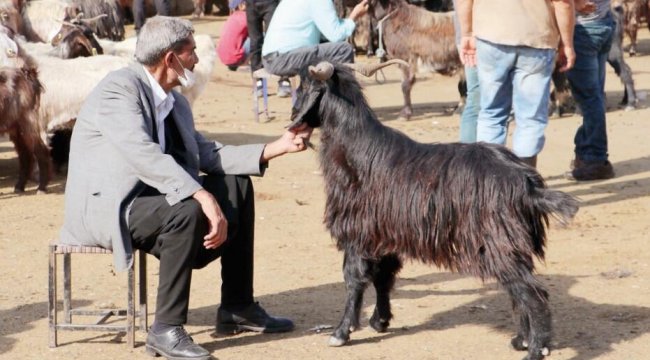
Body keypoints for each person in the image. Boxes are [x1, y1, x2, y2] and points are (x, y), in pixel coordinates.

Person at [58, 16, 312, 360]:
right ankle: (165, 329)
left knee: (236, 186)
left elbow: (205, 153)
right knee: (188, 207)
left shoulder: (175, 102)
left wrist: (277, 147)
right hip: (112, 205)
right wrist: (200, 193)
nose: (195, 59)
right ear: (170, 59)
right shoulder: (119, 89)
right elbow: (142, 154)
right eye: (191, 52)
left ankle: (237, 307)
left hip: (156, 200)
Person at [456, 0, 576, 167]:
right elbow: (563, 3)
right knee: (530, 118)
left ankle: (490, 181)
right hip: (536, 40)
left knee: (491, 114)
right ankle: (524, 182)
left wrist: (467, 33)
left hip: (491, 37)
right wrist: (567, 43)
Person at [565, 0, 616, 180]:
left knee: (590, 99)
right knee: (594, 97)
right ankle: (586, 153)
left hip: (584, 29)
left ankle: (595, 160)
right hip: (602, 23)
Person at [261, 0, 369, 79]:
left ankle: (328, 100)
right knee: (343, 49)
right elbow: (336, 35)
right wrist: (354, 15)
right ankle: (347, 104)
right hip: (282, 59)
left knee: (331, 48)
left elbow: (328, 32)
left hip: (273, 58)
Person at [244, 0, 292, 97]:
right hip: (251, 4)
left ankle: (284, 79)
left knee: (276, 40)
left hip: (271, 3)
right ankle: (258, 82)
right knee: (255, 42)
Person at [452, 0, 479, 143]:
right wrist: (467, 34)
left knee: (476, 101)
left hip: (469, 36)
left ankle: (469, 157)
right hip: (475, 38)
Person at [217, 0, 251, 71]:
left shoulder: (231, 18)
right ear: (242, 5)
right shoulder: (246, 17)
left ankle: (236, 63)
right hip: (234, 58)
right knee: (260, 36)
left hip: (224, 59)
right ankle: (244, 64)